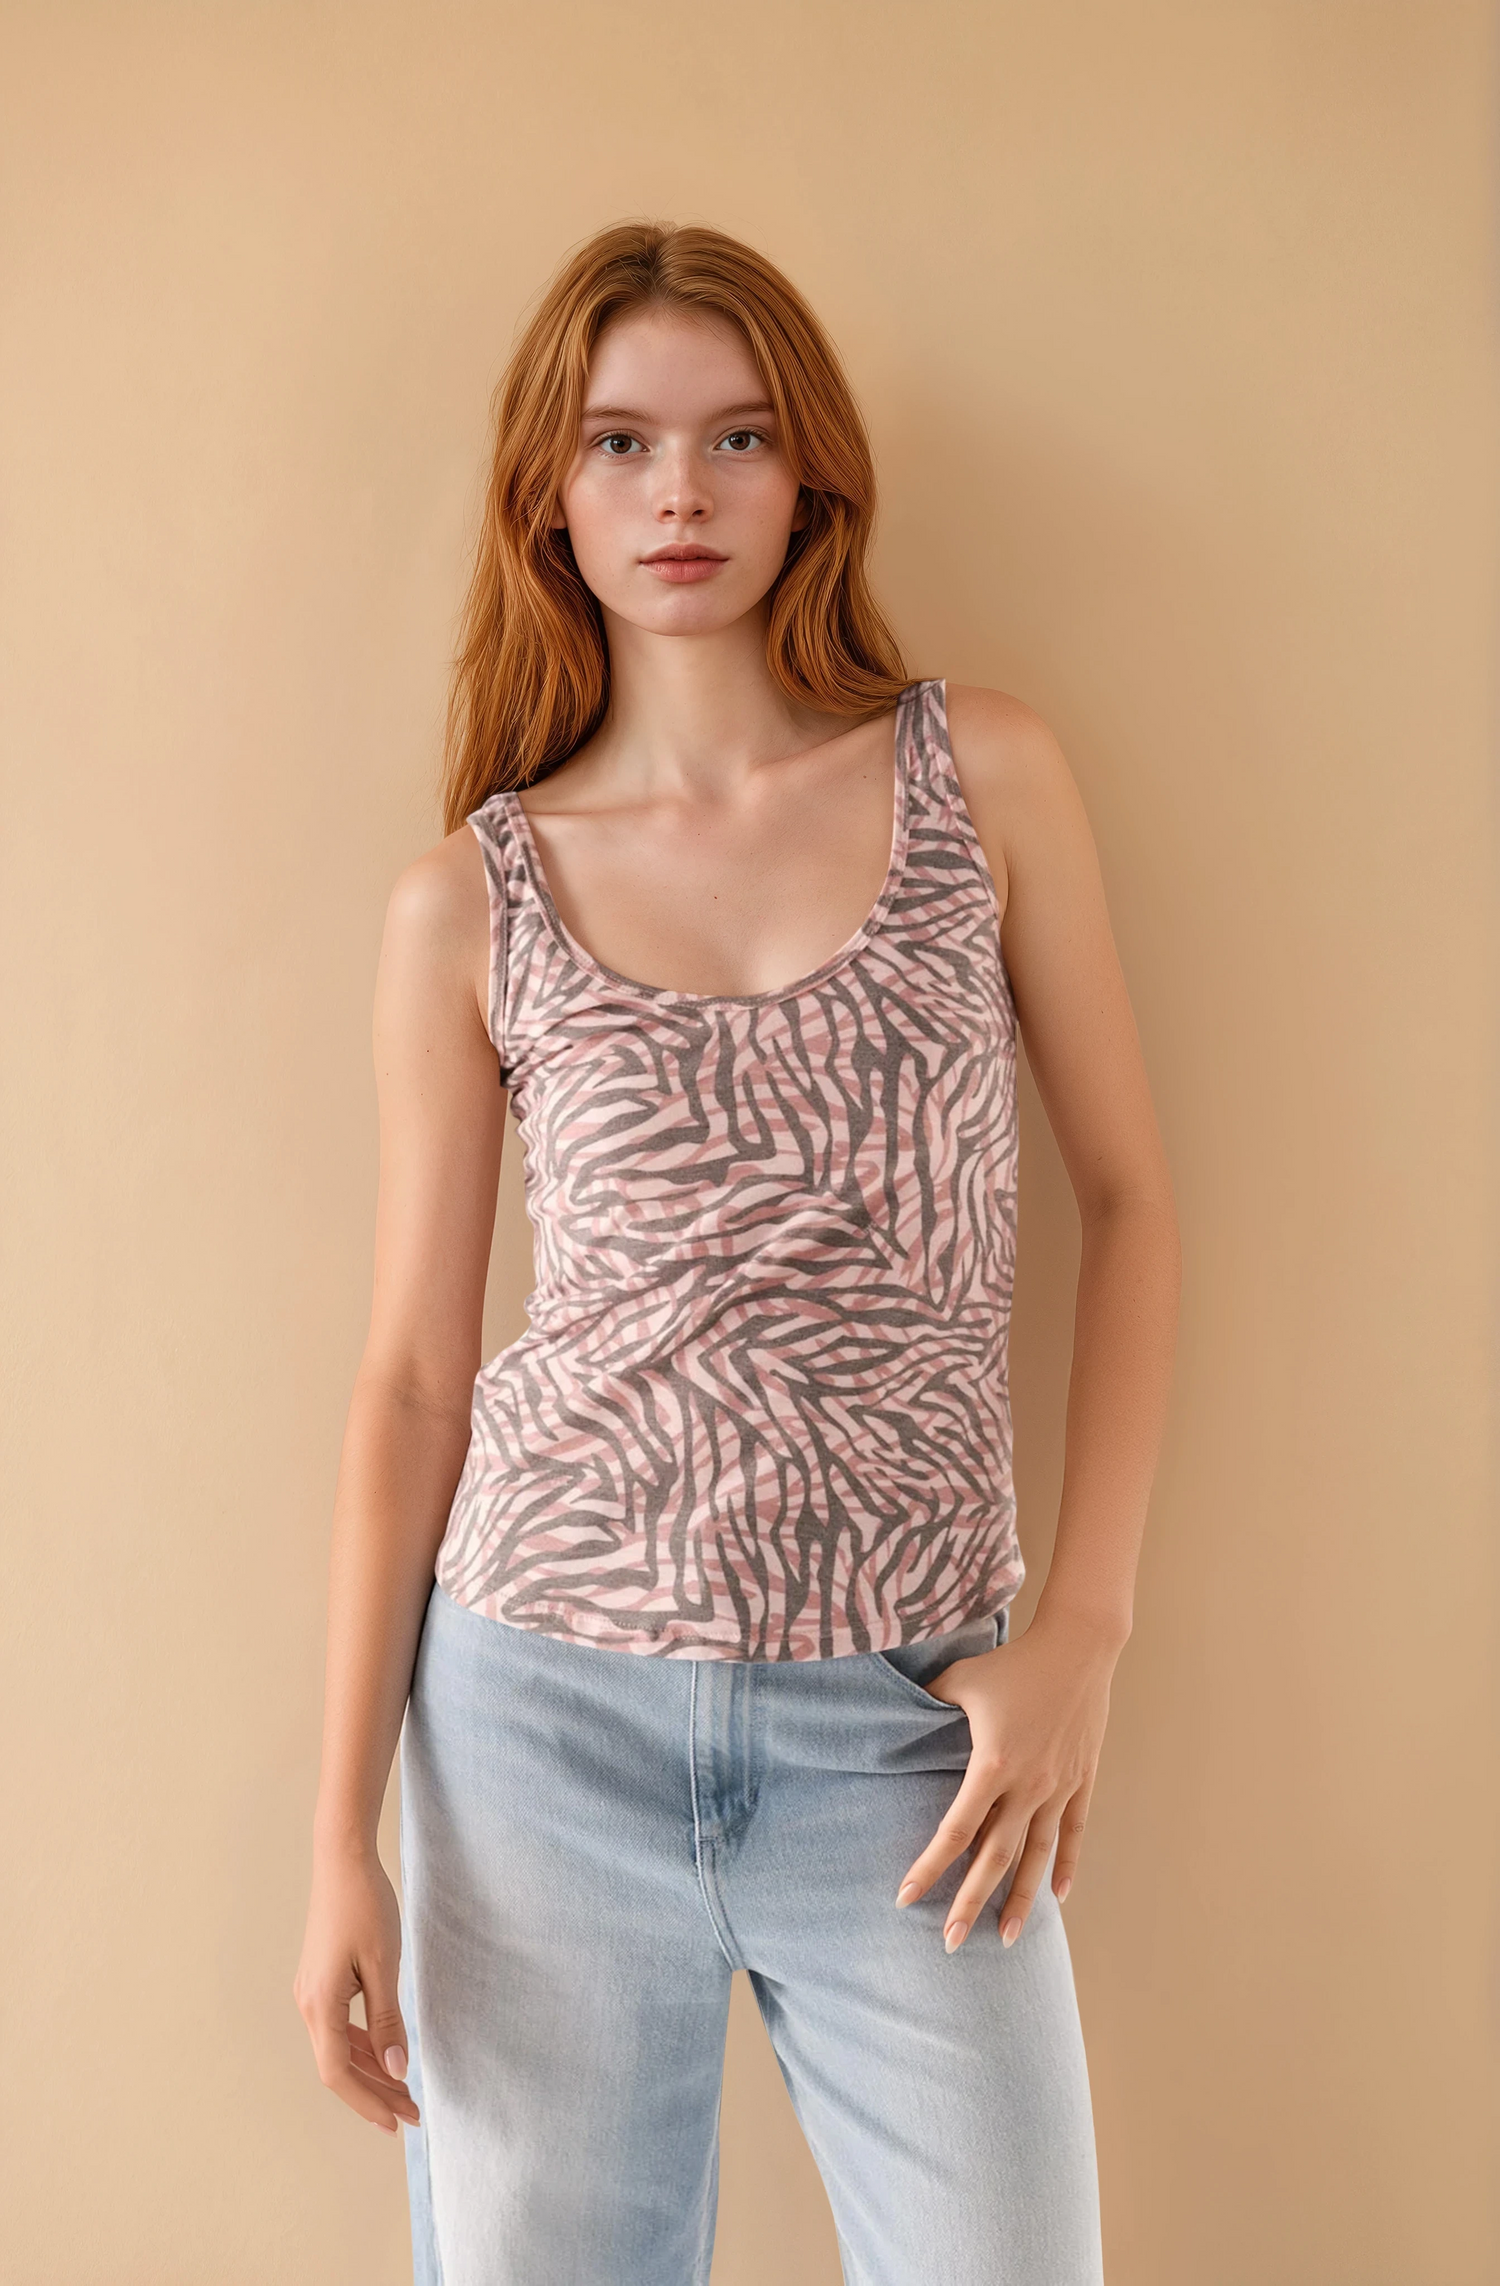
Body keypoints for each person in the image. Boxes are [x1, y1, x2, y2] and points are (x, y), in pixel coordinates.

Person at [293, 218, 1181, 2286]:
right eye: (619, 442)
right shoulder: (472, 902)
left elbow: (1132, 1200)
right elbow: (415, 1377)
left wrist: (1086, 1627)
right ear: (552, 493)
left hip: (914, 1730)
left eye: (737, 435)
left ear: (811, 480)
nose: (678, 491)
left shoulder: (983, 776)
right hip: (538, 1725)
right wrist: (339, 1835)